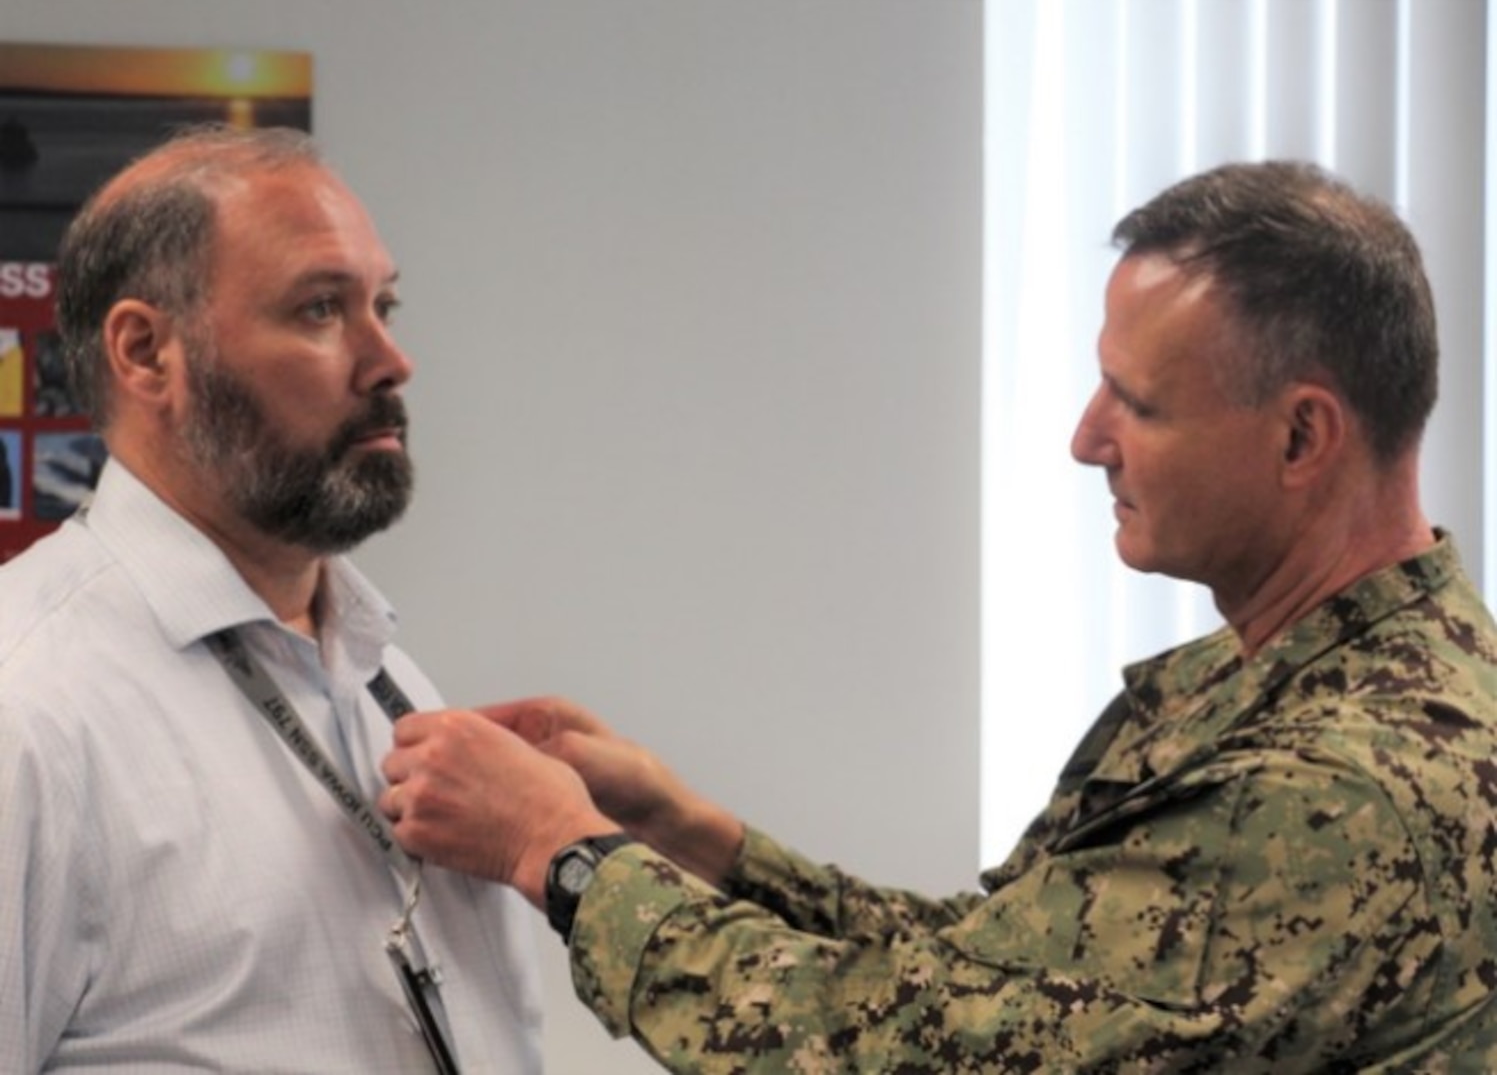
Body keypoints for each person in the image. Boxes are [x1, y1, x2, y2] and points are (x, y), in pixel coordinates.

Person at [378, 160, 1497, 1072]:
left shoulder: (1328, 791)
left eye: (1140, 404)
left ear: (1303, 438)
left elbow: (927, 1055)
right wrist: (690, 837)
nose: (1086, 437)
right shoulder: (1312, 678)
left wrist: (559, 855)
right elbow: (997, 981)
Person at [0, 125, 543, 1072]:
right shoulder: (29, 704)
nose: (390, 361)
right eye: (321, 309)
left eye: (385, 304)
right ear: (147, 353)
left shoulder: (387, 680)